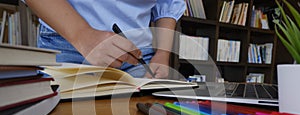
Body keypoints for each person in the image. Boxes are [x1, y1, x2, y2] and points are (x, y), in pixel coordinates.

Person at [24, 0, 186, 78]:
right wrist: (82, 35)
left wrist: (162, 54)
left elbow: (169, 2)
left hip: (139, 55)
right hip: (68, 43)